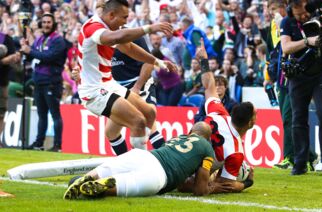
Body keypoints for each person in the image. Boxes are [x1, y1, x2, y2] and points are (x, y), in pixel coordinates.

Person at [76, 0, 176, 151]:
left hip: (109, 84)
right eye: (124, 17)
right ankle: (141, 165)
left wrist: (156, 61)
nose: (126, 21)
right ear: (111, 15)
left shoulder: (110, 28)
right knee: (138, 121)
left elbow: (129, 48)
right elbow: (115, 38)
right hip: (94, 91)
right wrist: (149, 28)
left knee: (149, 113)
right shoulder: (93, 28)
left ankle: (131, 161)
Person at [63, 122, 230, 199]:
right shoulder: (206, 148)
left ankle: (89, 177)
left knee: (107, 168)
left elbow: (183, 184)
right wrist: (213, 186)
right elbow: (200, 190)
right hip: (159, 174)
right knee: (126, 185)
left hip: (143, 155)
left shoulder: (178, 138)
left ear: (190, 132)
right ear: (207, 139)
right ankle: (104, 188)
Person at [280, 0, 322, 175]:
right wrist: (307, 42)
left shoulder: (320, 16)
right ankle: (300, 162)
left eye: (304, 12)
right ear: (290, 11)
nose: (303, 16)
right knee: (298, 118)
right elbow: (286, 47)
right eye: (298, 15)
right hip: (298, 75)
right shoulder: (286, 22)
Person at [264, 0, 318, 171]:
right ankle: (308, 155)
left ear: (283, 7)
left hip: (296, 77)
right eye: (269, 10)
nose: (272, 13)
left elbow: (292, 46)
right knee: (287, 118)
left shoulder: (290, 23)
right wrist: (268, 76)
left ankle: (291, 157)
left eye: (274, 9)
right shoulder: (272, 28)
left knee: (290, 117)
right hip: (281, 77)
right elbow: (271, 53)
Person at [196, 39, 255, 192]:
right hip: (187, 174)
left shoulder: (219, 112)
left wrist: (203, 59)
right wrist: (247, 183)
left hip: (176, 152)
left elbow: (208, 85)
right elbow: (223, 184)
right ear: (250, 123)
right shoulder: (236, 152)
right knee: (196, 185)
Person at [20, 13, 68, 152]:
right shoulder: (40, 39)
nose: (46, 24)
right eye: (44, 22)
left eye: (49, 22)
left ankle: (57, 145)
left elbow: (49, 57)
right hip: (39, 81)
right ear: (41, 24)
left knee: (54, 114)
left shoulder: (58, 40)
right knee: (42, 115)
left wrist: (31, 51)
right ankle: (39, 143)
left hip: (52, 82)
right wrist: (26, 50)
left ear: (53, 24)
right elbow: (33, 56)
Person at [0, 32, 20, 145]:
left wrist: (3, 61)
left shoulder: (5, 38)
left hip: (2, 82)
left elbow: (14, 56)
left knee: (1, 112)